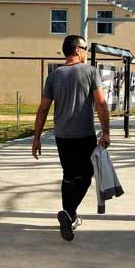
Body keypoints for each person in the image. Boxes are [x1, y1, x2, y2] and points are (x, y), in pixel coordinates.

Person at [32, 35, 111, 241]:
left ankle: (68, 214)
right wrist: (106, 131)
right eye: (85, 48)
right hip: (84, 135)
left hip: (62, 136)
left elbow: (42, 109)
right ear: (77, 50)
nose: (86, 52)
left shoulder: (54, 75)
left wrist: (37, 138)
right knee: (86, 175)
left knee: (69, 175)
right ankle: (69, 213)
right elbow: (101, 104)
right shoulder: (91, 72)